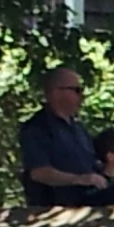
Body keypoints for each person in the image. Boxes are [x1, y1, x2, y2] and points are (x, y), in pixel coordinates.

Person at [19, 67, 104, 207]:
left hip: (86, 207)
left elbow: (91, 162)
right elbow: (39, 173)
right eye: (76, 90)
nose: (82, 96)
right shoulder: (37, 128)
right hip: (53, 212)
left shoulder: (78, 128)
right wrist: (80, 179)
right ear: (55, 92)